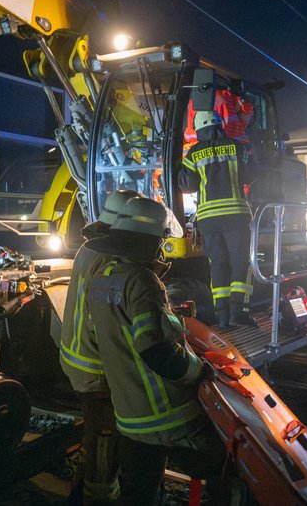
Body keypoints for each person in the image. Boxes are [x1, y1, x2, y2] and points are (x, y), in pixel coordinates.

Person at [82, 196, 227, 505]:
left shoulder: (101, 279)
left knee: (139, 494)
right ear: (150, 240)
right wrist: (199, 370)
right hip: (168, 415)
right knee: (226, 465)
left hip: (130, 419)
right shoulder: (142, 281)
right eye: (161, 238)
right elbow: (155, 349)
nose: (163, 246)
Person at [59, 189, 142, 505]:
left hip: (79, 356)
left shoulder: (89, 248)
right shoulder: (110, 256)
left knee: (94, 429)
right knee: (104, 436)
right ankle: (98, 495)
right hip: (96, 365)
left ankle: (84, 486)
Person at [179, 110, 254, 329]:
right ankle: (238, 313)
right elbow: (250, 175)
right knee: (240, 262)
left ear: (199, 129)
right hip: (236, 216)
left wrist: (177, 170)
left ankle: (222, 317)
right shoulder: (236, 147)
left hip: (209, 220)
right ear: (219, 125)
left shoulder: (194, 153)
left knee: (218, 264)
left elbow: (187, 186)